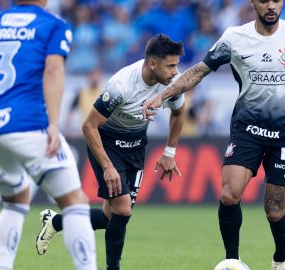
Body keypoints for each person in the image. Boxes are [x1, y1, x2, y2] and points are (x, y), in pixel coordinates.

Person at [143, 1, 285, 269]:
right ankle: (232, 261)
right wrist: (164, 95)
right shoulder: (235, 38)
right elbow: (199, 70)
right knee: (229, 194)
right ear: (253, 3)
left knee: (274, 211)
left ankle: (281, 258)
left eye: (276, 0)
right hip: (248, 130)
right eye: (264, 0)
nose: (271, 6)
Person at [0, 0, 97, 269]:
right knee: (75, 201)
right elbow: (53, 71)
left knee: (16, 200)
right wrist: (53, 125)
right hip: (31, 124)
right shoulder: (55, 26)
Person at [36, 34, 186, 270]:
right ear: (153, 63)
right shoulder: (122, 85)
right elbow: (88, 126)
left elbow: (179, 112)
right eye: (171, 65)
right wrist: (107, 167)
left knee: (111, 217)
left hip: (136, 146)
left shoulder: (171, 85)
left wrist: (170, 152)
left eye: (176, 65)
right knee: (124, 210)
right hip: (107, 143)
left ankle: (55, 221)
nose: (175, 72)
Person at [65, 69, 103, 137]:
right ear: (89, 77)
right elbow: (71, 110)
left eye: (97, 77)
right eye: (93, 76)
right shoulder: (82, 93)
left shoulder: (104, 93)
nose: (95, 79)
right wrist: (68, 129)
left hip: (101, 133)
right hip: (84, 133)